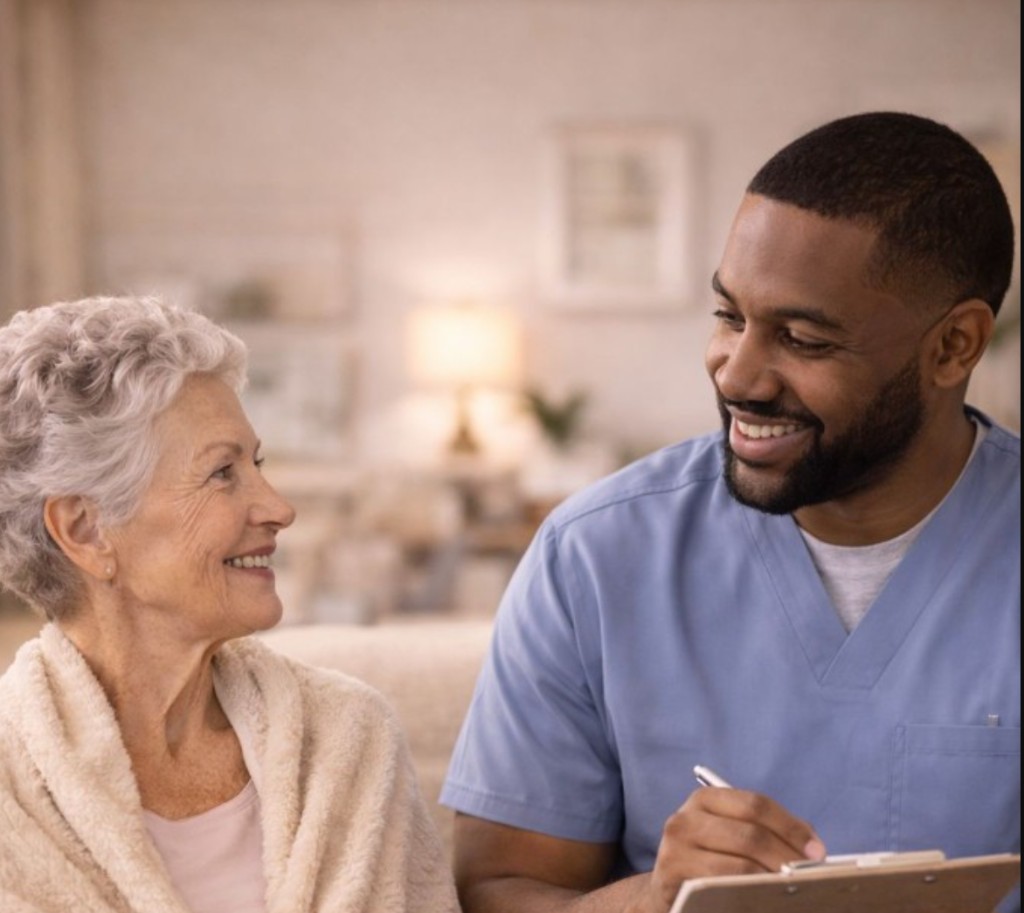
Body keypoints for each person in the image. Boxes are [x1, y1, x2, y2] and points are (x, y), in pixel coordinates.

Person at [440, 111, 1020, 913]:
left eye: (803, 338)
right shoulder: (595, 556)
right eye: (728, 316)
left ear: (954, 346)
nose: (737, 373)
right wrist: (657, 898)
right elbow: (496, 893)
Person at [0, 296, 458, 913]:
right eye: (223, 473)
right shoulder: (11, 788)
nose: (279, 507)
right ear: (85, 530)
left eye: (257, 462)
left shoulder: (347, 738)